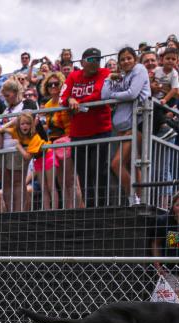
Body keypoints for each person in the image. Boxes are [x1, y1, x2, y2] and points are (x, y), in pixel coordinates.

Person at [60, 47, 112, 207]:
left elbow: (99, 94)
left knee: (99, 169)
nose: (95, 62)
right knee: (83, 172)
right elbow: (63, 96)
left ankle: (101, 206)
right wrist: (69, 100)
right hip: (78, 133)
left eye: (98, 59)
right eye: (91, 59)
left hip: (101, 130)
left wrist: (77, 101)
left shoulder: (105, 73)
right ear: (82, 62)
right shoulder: (73, 76)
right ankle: (89, 207)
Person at [101, 46, 150, 205]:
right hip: (123, 127)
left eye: (129, 58)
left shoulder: (140, 69)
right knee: (132, 164)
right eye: (122, 59)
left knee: (116, 164)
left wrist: (115, 96)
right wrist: (109, 78)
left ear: (135, 59)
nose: (126, 61)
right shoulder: (122, 76)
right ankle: (140, 198)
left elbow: (132, 93)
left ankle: (135, 198)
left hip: (136, 124)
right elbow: (104, 96)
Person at [40, 71, 82, 209]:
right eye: (50, 84)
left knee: (71, 180)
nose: (53, 86)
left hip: (67, 140)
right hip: (53, 144)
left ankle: (77, 210)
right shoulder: (47, 105)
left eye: (56, 84)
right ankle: (67, 210)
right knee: (61, 181)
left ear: (62, 85)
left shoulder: (66, 99)